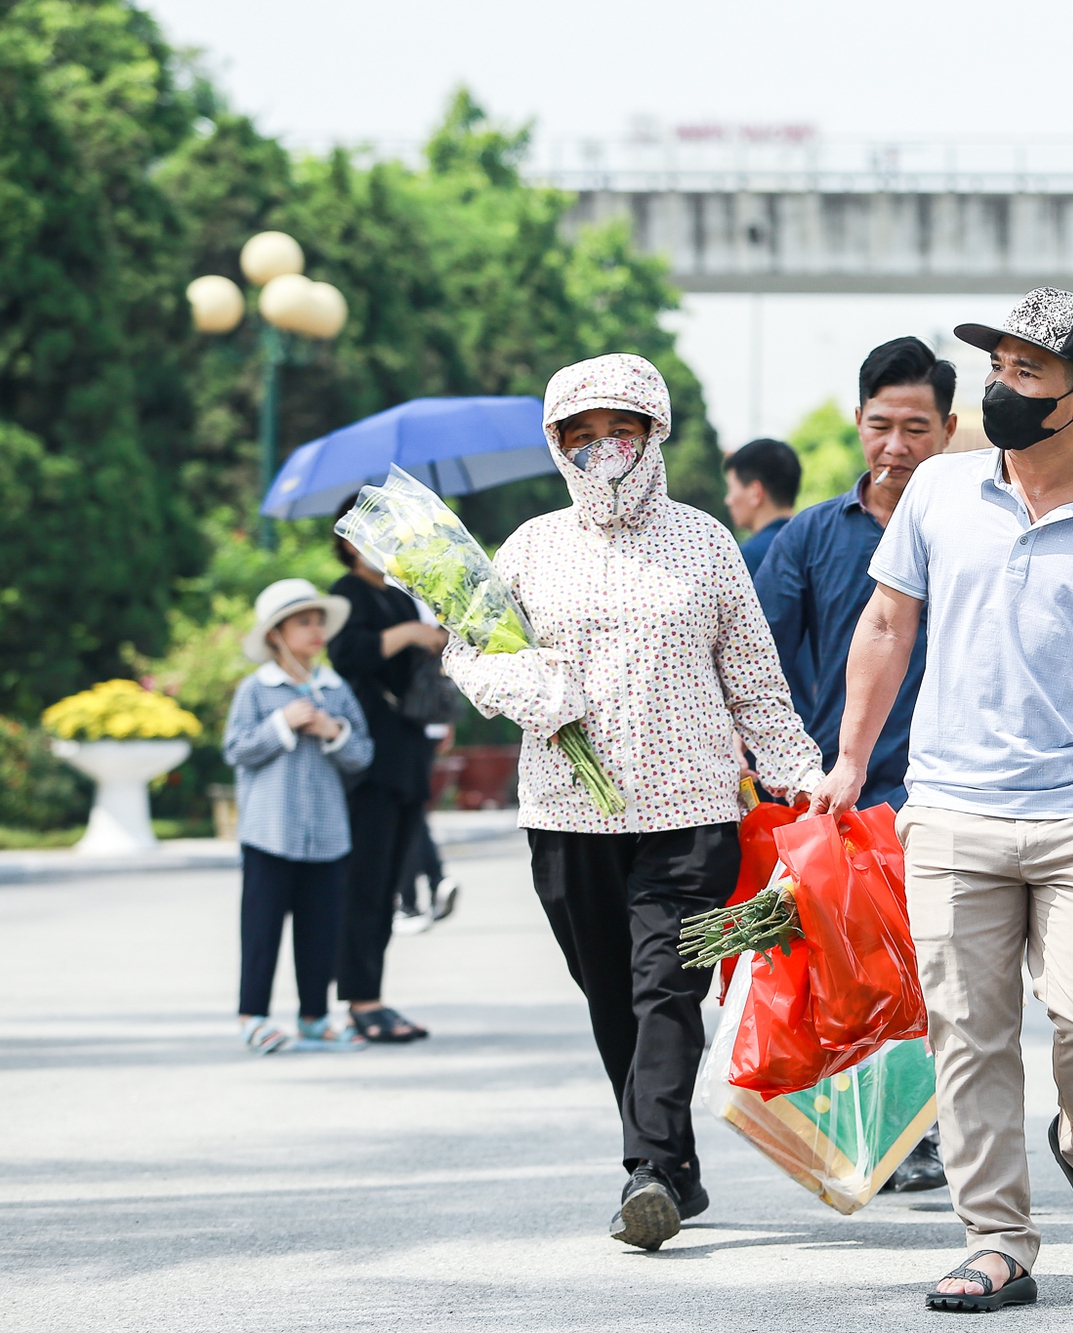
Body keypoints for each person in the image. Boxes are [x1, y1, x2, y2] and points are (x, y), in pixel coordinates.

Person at [809, 289, 1073, 1313]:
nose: (1002, 388)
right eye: (997, 367)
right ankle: (997, 1236)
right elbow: (885, 625)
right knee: (966, 1031)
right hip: (951, 808)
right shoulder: (937, 495)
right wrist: (847, 758)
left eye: (1025, 373)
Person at [442, 353, 825, 1250]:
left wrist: (799, 774)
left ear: (652, 434)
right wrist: (529, 685)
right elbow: (466, 650)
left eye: (618, 431)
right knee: (610, 993)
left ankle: (647, 1169)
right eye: (579, 436)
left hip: (690, 811)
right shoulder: (531, 545)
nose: (600, 450)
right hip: (567, 812)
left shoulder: (704, 541)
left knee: (665, 988)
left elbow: (754, 679)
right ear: (556, 445)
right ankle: (676, 1165)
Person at [752, 335, 956, 1194]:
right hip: (836, 798)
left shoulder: (972, 528)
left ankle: (931, 1130)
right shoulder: (805, 539)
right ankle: (867, 1128)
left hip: (943, 790)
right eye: (881, 425)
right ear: (859, 424)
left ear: (949, 429)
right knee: (852, 971)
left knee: (939, 967)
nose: (897, 445)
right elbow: (756, 662)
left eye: (917, 426)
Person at [223, 579, 374, 1054]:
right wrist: (282, 724)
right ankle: (254, 1017)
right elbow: (236, 750)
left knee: (321, 928)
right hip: (270, 832)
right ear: (275, 635)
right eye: (302, 623)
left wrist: (333, 731)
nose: (315, 631)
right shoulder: (257, 690)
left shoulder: (335, 689)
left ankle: (314, 1017)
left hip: (328, 832)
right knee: (262, 927)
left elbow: (363, 755)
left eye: (318, 622)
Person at [329, 512, 449, 1044]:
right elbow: (347, 654)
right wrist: (408, 634)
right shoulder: (346, 592)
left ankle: (370, 996)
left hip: (407, 754)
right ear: (349, 543)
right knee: (365, 883)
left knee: (388, 887)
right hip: (369, 759)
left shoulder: (401, 596)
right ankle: (360, 1001)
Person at [725, 437, 801, 577]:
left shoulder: (748, 558)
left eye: (731, 488)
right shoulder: (817, 547)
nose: (728, 500)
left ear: (755, 492)